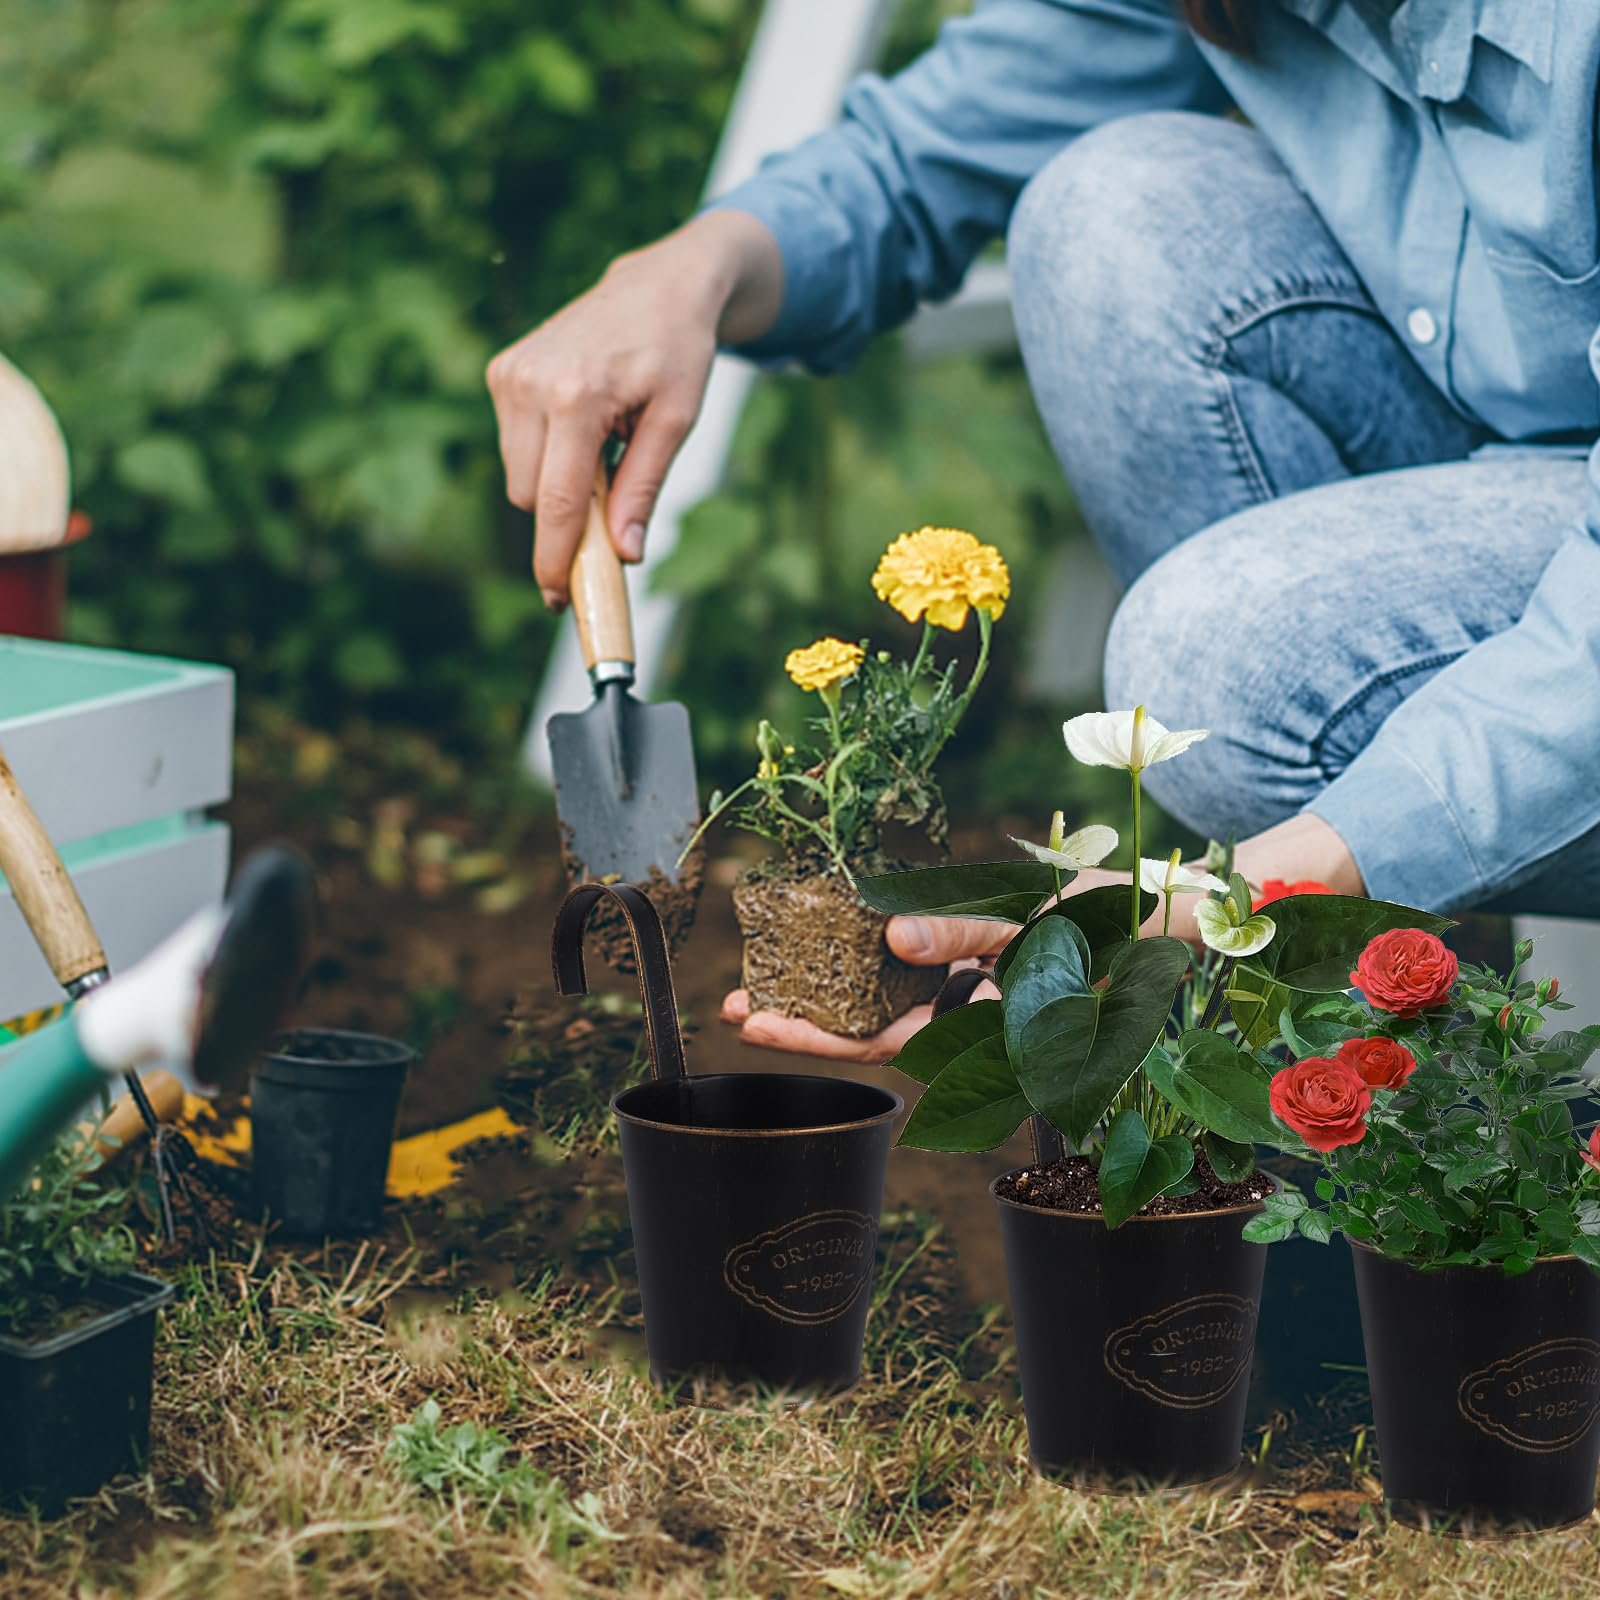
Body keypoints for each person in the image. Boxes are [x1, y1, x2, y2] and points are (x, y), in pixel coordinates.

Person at [489, 0, 1600, 1062]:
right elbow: (943, 142)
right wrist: (693, 268)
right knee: (1111, 211)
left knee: (1218, 656)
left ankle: (1336, 1027)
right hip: (1522, 457)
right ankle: (1324, 1049)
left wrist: (1217, 906)